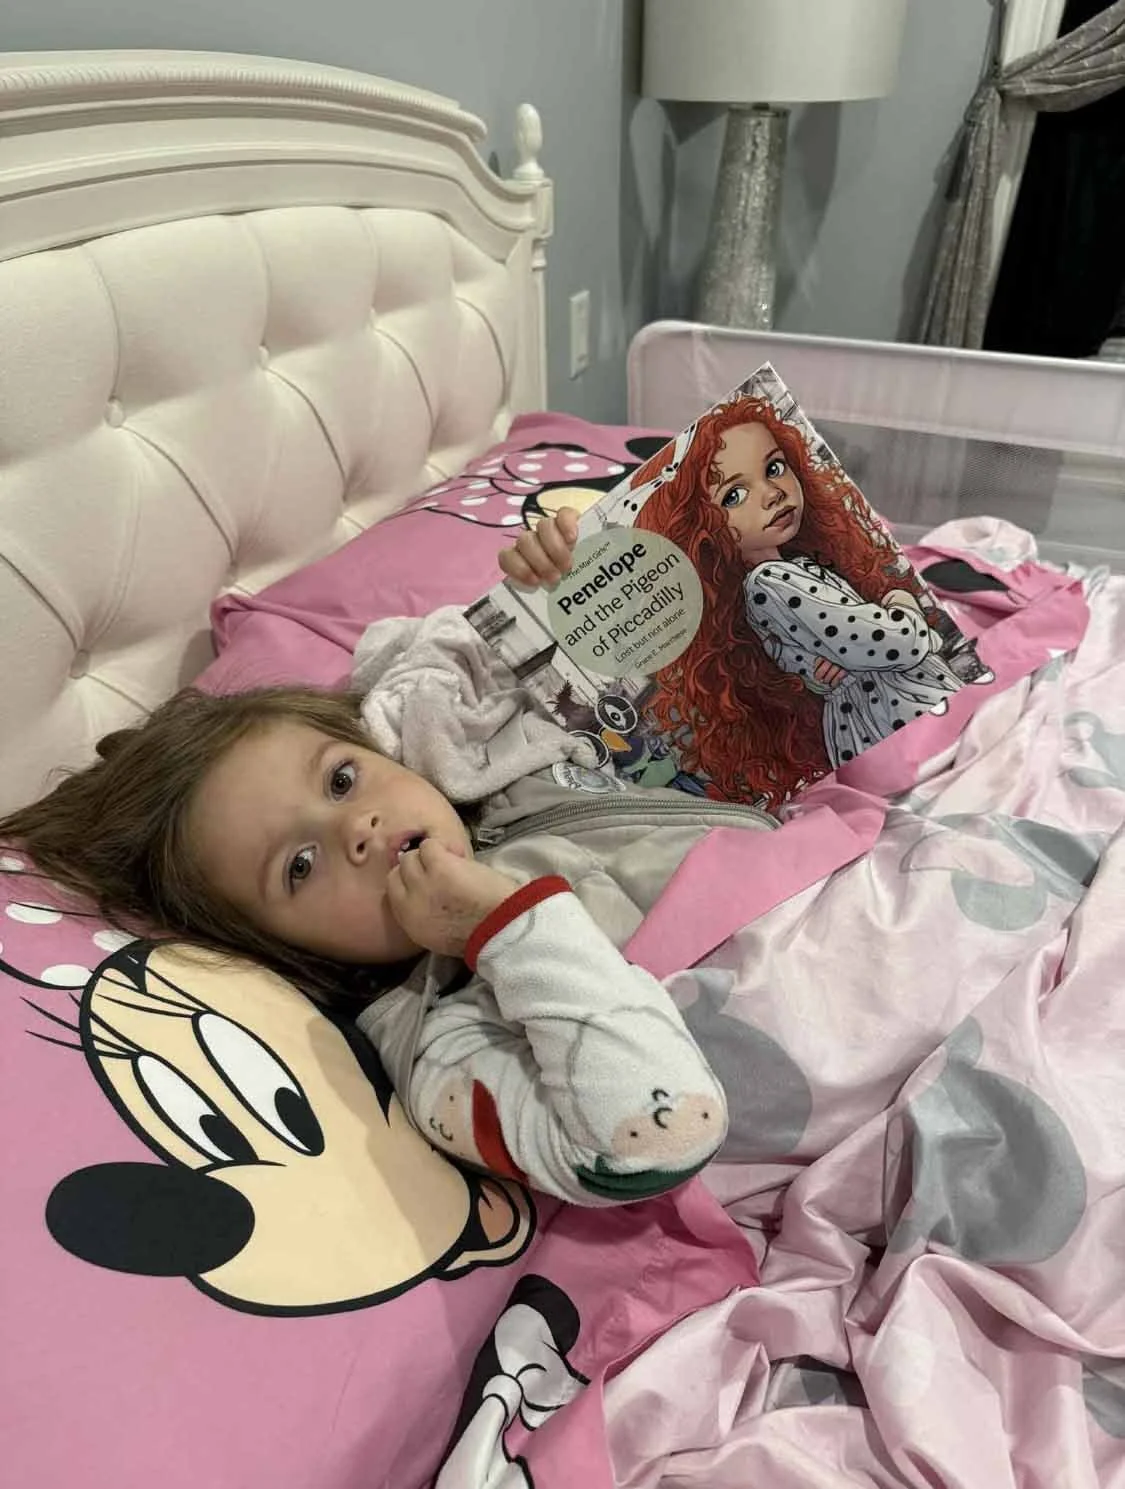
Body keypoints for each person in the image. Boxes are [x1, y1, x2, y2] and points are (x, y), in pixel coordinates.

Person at [0, 562, 766, 1207]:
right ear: (287, 952)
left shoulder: (503, 784)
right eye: (299, 866)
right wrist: (498, 927)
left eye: (341, 779)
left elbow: (458, 668)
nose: (354, 829)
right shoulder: (436, 1034)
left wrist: (563, 581)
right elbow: (655, 1139)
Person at [607, 395, 969, 807]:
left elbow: (803, 650)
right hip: (893, 710)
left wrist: (825, 664)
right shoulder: (773, 581)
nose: (772, 493)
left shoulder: (782, 575)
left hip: (875, 715)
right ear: (704, 537)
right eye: (733, 496)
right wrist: (900, 600)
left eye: (775, 469)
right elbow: (901, 644)